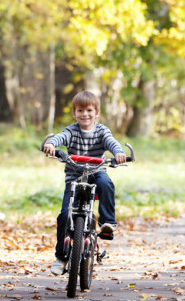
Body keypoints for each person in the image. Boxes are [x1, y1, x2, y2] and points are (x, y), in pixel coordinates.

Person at [42, 91, 127, 275]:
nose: (85, 114)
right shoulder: (71, 130)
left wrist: (118, 153)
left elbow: (111, 143)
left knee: (106, 183)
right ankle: (60, 257)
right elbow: (60, 137)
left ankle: (107, 223)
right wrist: (52, 145)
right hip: (74, 176)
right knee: (65, 215)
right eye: (80, 110)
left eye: (89, 110)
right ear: (74, 113)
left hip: (96, 173)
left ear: (96, 112)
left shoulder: (102, 131)